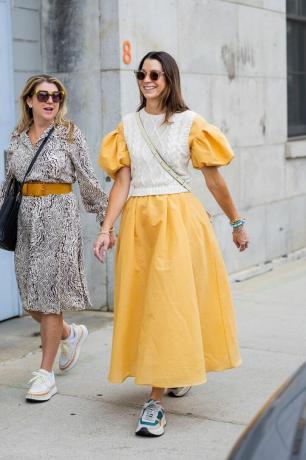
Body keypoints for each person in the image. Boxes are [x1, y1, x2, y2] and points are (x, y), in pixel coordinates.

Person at [94, 51, 249, 437]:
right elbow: (122, 183)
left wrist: (236, 222)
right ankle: (175, 370)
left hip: (179, 223)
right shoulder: (127, 126)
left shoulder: (190, 123)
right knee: (148, 306)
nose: (147, 80)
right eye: (142, 74)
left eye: (155, 75)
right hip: (139, 226)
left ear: (169, 80)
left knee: (169, 306)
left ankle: (155, 402)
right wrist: (106, 228)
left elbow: (213, 180)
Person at [1, 74, 108, 402]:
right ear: (29, 101)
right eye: (43, 95)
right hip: (27, 225)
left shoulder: (69, 135)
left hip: (59, 222)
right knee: (32, 300)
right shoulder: (17, 139)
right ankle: (69, 333)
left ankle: (45, 374)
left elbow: (89, 180)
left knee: (48, 297)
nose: (51, 101)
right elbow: (8, 185)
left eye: (57, 96)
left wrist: (106, 221)